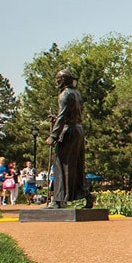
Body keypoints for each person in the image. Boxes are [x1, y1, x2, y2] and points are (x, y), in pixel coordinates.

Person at [44, 69, 95, 210]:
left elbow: (62, 117)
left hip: (69, 131)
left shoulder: (64, 95)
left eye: (58, 79)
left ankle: (58, 200)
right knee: (78, 166)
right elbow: (69, 114)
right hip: (78, 130)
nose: (56, 82)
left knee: (60, 165)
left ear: (63, 80)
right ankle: (87, 195)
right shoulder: (76, 94)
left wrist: (53, 136)